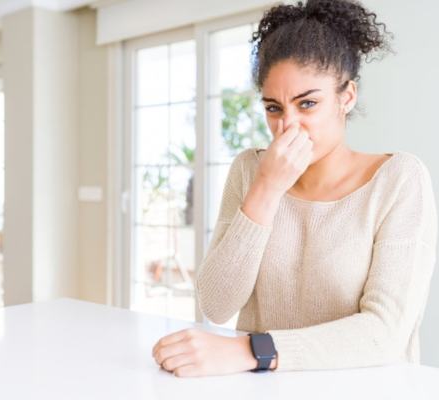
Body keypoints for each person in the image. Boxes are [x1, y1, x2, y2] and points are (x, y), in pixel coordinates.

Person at [151, 0, 437, 376]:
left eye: (307, 104)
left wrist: (253, 351)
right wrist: (266, 188)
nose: (288, 126)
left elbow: (386, 333)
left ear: (346, 97)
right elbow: (217, 304)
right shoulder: (249, 170)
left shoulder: (400, 180)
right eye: (274, 108)